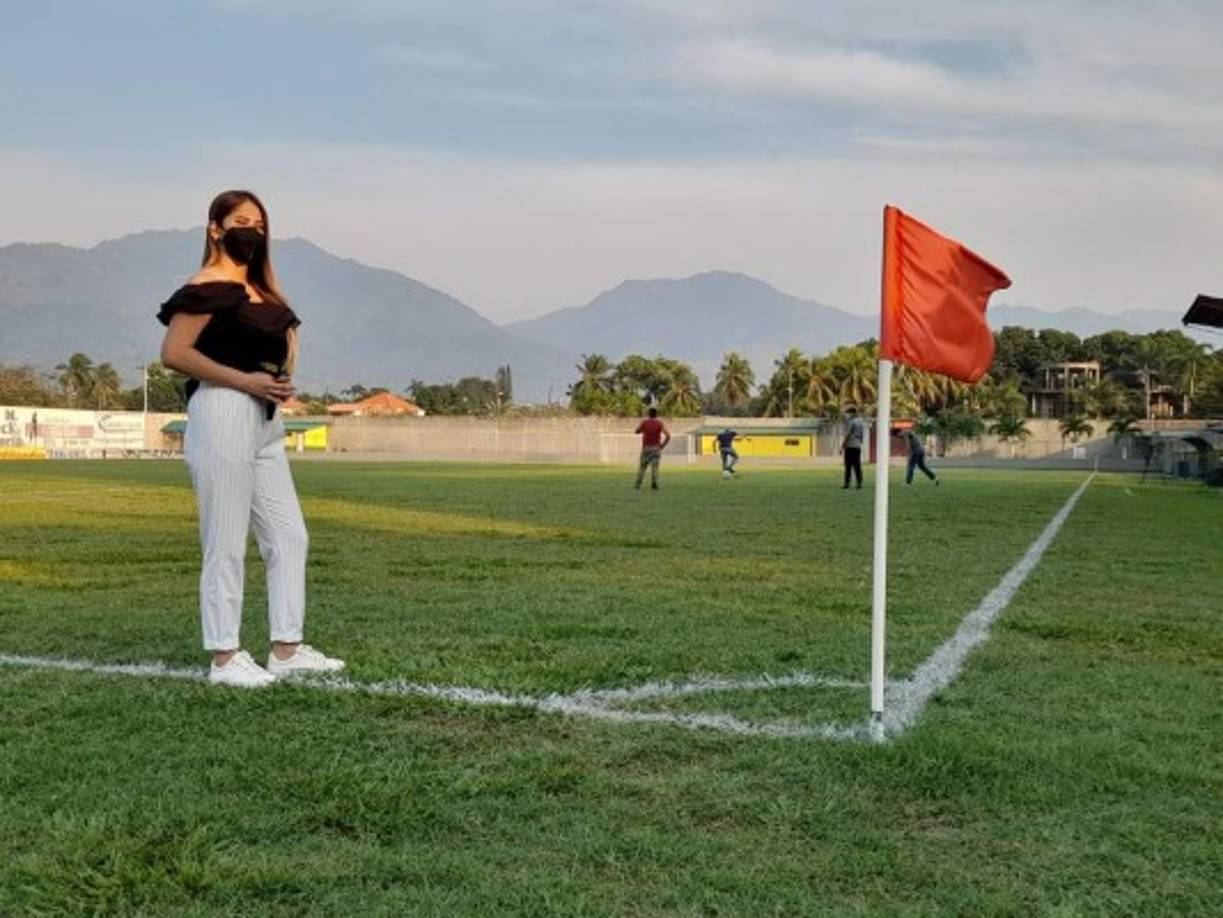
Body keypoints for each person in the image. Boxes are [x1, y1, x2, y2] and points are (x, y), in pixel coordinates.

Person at [157, 189, 345, 688]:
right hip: (223, 411)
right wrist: (244, 380)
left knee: (289, 535)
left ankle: (286, 649)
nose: (252, 232)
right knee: (225, 539)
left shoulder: (263, 289)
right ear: (215, 229)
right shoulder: (207, 286)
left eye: (259, 225)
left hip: (264, 418)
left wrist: (275, 381)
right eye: (241, 222)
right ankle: (224, 657)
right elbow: (175, 352)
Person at [634, 407, 671, 490]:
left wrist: (642, 429)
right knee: (655, 467)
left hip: (646, 448)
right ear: (656, 414)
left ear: (648, 414)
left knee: (642, 467)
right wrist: (662, 446)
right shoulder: (660, 424)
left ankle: (638, 484)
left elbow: (636, 431)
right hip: (656, 448)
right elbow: (668, 436)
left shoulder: (644, 423)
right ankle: (654, 482)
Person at [841, 405, 866, 489]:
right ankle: (859, 483)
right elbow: (862, 434)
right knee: (857, 465)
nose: (847, 415)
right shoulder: (861, 421)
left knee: (848, 466)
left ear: (852, 413)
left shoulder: (852, 422)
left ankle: (847, 483)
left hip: (850, 445)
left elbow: (848, 434)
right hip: (857, 445)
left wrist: (843, 444)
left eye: (848, 413)